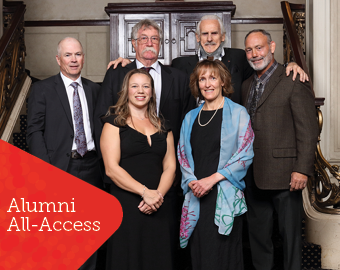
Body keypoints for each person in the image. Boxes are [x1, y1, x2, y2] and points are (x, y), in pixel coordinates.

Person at [241, 29, 319, 270]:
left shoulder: (293, 80)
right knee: (258, 238)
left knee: (291, 238)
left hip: (287, 175)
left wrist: (302, 169)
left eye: (259, 47)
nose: (254, 54)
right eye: (249, 50)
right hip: (253, 175)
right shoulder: (245, 85)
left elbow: (308, 130)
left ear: (272, 47)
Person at [108, 15, 308, 105]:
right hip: (194, 132)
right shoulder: (180, 64)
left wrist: (289, 65)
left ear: (223, 36)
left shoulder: (239, 57)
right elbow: (152, 71)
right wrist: (128, 63)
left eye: (214, 33)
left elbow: (263, 68)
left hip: (233, 133)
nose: (210, 38)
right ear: (197, 37)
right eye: (204, 34)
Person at [26, 37, 102, 270]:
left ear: (83, 58)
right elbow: (34, 132)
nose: (74, 60)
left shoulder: (94, 89)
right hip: (59, 167)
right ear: (58, 59)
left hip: (91, 167)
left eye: (78, 54)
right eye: (68, 55)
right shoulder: (42, 89)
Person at [178, 59, 254, 270]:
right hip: (196, 196)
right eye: (202, 79)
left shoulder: (238, 113)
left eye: (213, 78)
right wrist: (193, 182)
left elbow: (245, 154)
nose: (207, 84)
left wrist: (211, 180)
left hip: (224, 195)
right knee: (201, 254)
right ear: (197, 84)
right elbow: (182, 155)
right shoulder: (190, 117)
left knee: (224, 255)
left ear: (223, 82)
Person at [100, 69, 176, 270]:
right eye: (134, 86)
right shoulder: (114, 123)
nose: (140, 91)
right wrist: (144, 193)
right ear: (126, 90)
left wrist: (157, 196)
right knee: (128, 259)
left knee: (157, 258)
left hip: (159, 204)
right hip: (127, 205)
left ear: (152, 92)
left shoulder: (163, 126)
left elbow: (170, 167)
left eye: (145, 86)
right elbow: (111, 169)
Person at [95, 19, 194, 151]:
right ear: (134, 43)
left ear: (160, 44)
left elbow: (188, 122)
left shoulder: (179, 78)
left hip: (169, 155)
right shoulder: (116, 74)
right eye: (143, 38)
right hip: (125, 155)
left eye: (154, 38)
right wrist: (105, 159)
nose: (149, 43)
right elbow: (102, 116)